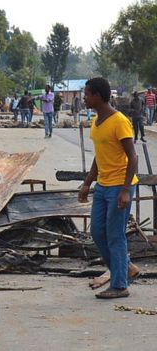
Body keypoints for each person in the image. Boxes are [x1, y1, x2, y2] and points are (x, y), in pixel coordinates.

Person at [78, 77, 141, 299]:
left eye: (86, 94)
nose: (84, 97)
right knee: (97, 232)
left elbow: (132, 158)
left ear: (97, 95)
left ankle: (120, 285)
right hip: (103, 185)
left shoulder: (119, 121)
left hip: (119, 186)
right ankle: (126, 268)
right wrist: (87, 182)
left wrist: (125, 190)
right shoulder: (97, 121)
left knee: (115, 235)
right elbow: (99, 156)